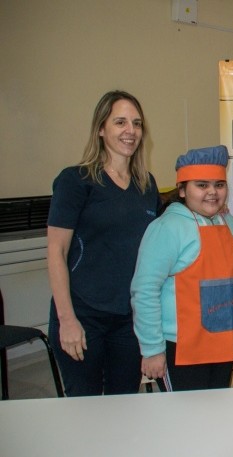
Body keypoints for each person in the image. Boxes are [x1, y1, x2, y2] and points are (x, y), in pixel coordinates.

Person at [46, 90, 160, 396]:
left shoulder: (146, 185)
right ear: (101, 128)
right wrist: (66, 320)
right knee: (85, 410)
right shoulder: (75, 181)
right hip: (83, 316)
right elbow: (56, 252)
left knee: (123, 404)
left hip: (127, 319)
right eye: (120, 122)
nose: (130, 131)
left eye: (136, 124)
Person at [131, 145, 233, 391]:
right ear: (182, 190)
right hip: (182, 350)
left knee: (214, 413)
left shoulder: (231, 224)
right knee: (186, 421)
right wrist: (152, 350)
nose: (212, 193)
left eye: (219, 184)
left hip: (223, 343)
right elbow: (145, 290)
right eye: (202, 185)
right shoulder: (168, 227)